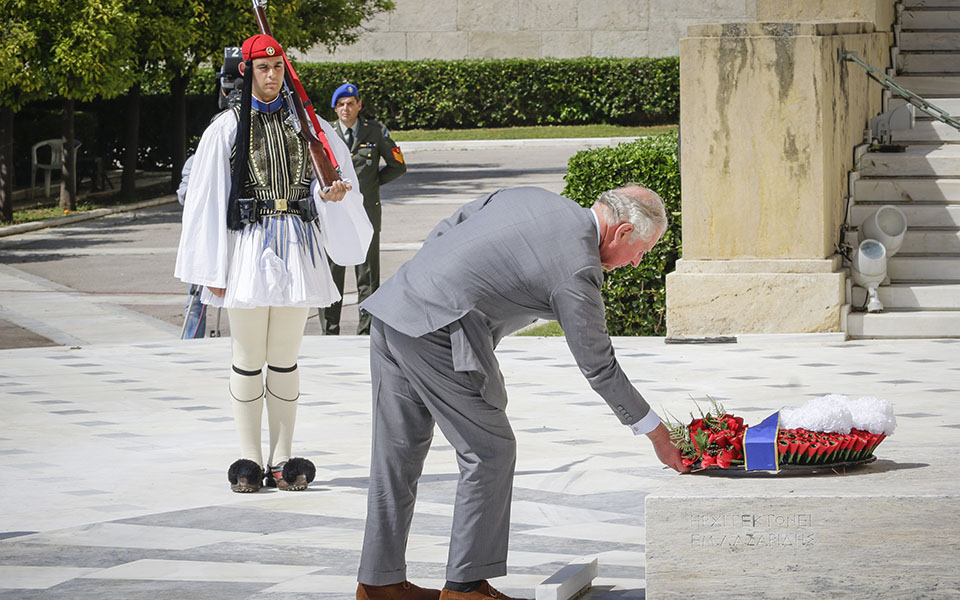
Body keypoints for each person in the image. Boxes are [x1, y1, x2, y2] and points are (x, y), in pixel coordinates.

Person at [354, 185, 689, 600]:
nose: (637, 261)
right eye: (642, 250)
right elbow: (599, 366)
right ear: (620, 232)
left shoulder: (531, 197)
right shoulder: (576, 270)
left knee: (395, 455)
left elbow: (449, 228)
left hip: (395, 306)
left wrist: (434, 284)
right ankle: (465, 589)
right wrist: (658, 434)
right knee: (489, 452)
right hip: (437, 331)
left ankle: (378, 584)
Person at [174, 33, 372, 494]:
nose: (271, 76)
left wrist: (333, 194)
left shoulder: (308, 126)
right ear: (247, 72)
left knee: (284, 360)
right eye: (263, 68)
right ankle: (249, 458)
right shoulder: (226, 129)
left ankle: (283, 460)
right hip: (247, 248)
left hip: (296, 247)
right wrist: (212, 271)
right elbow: (206, 203)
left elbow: (332, 180)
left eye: (278, 68)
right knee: (247, 359)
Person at [319, 82, 407, 335]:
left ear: (359, 105)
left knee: (367, 275)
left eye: (350, 103)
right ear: (335, 109)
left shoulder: (376, 131)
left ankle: (366, 331)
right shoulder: (325, 133)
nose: (345, 108)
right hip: (334, 215)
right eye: (340, 105)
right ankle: (330, 331)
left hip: (366, 212)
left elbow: (398, 165)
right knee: (333, 273)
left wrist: (370, 185)